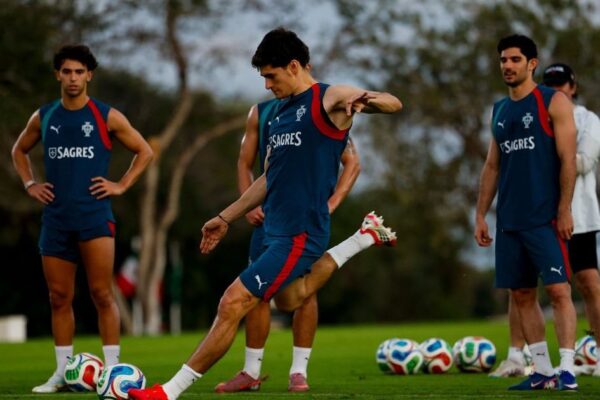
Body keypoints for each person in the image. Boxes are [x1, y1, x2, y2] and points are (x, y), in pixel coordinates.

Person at [128, 27, 401, 400]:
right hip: (275, 228)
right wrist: (225, 217)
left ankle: (168, 392)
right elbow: (268, 179)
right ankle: (362, 238)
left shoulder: (329, 98)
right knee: (289, 300)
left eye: (271, 76)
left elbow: (393, 103)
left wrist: (367, 99)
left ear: (294, 66)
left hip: (301, 231)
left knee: (233, 301)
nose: (267, 85)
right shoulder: (281, 112)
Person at [11, 44, 153, 393]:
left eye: (79, 72)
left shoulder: (106, 116)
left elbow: (145, 151)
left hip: (94, 218)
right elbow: (19, 150)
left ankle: (112, 371)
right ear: (57, 75)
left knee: (102, 293)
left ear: (89, 75)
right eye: (67, 71)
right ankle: (61, 373)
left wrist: (121, 184)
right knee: (59, 297)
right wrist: (30, 184)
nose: (73, 78)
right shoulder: (44, 116)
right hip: (56, 220)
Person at [214, 100, 360, 393]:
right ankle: (250, 373)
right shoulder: (260, 112)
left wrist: (331, 204)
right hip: (268, 220)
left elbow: (352, 162)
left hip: (304, 220)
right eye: (266, 78)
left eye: (272, 77)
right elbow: (244, 162)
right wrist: (247, 205)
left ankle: (298, 372)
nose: (269, 83)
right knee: (255, 291)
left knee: (304, 292)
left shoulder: (321, 109)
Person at [474, 34, 578, 391]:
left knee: (559, 291)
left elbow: (568, 159)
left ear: (532, 64)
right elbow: (492, 166)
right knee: (520, 295)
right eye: (503, 59)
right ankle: (543, 371)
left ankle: (568, 370)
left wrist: (564, 208)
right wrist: (480, 214)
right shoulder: (500, 110)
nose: (507, 65)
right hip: (509, 220)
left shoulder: (553, 101)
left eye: (515, 59)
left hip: (545, 217)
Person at [489, 62, 600, 378]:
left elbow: (584, 161)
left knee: (587, 284)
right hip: (537, 216)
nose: (556, 88)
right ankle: (517, 355)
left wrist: (539, 156)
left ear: (573, 87)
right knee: (521, 287)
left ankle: (595, 354)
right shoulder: (533, 109)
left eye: (562, 83)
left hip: (578, 215)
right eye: (550, 83)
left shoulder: (587, 119)